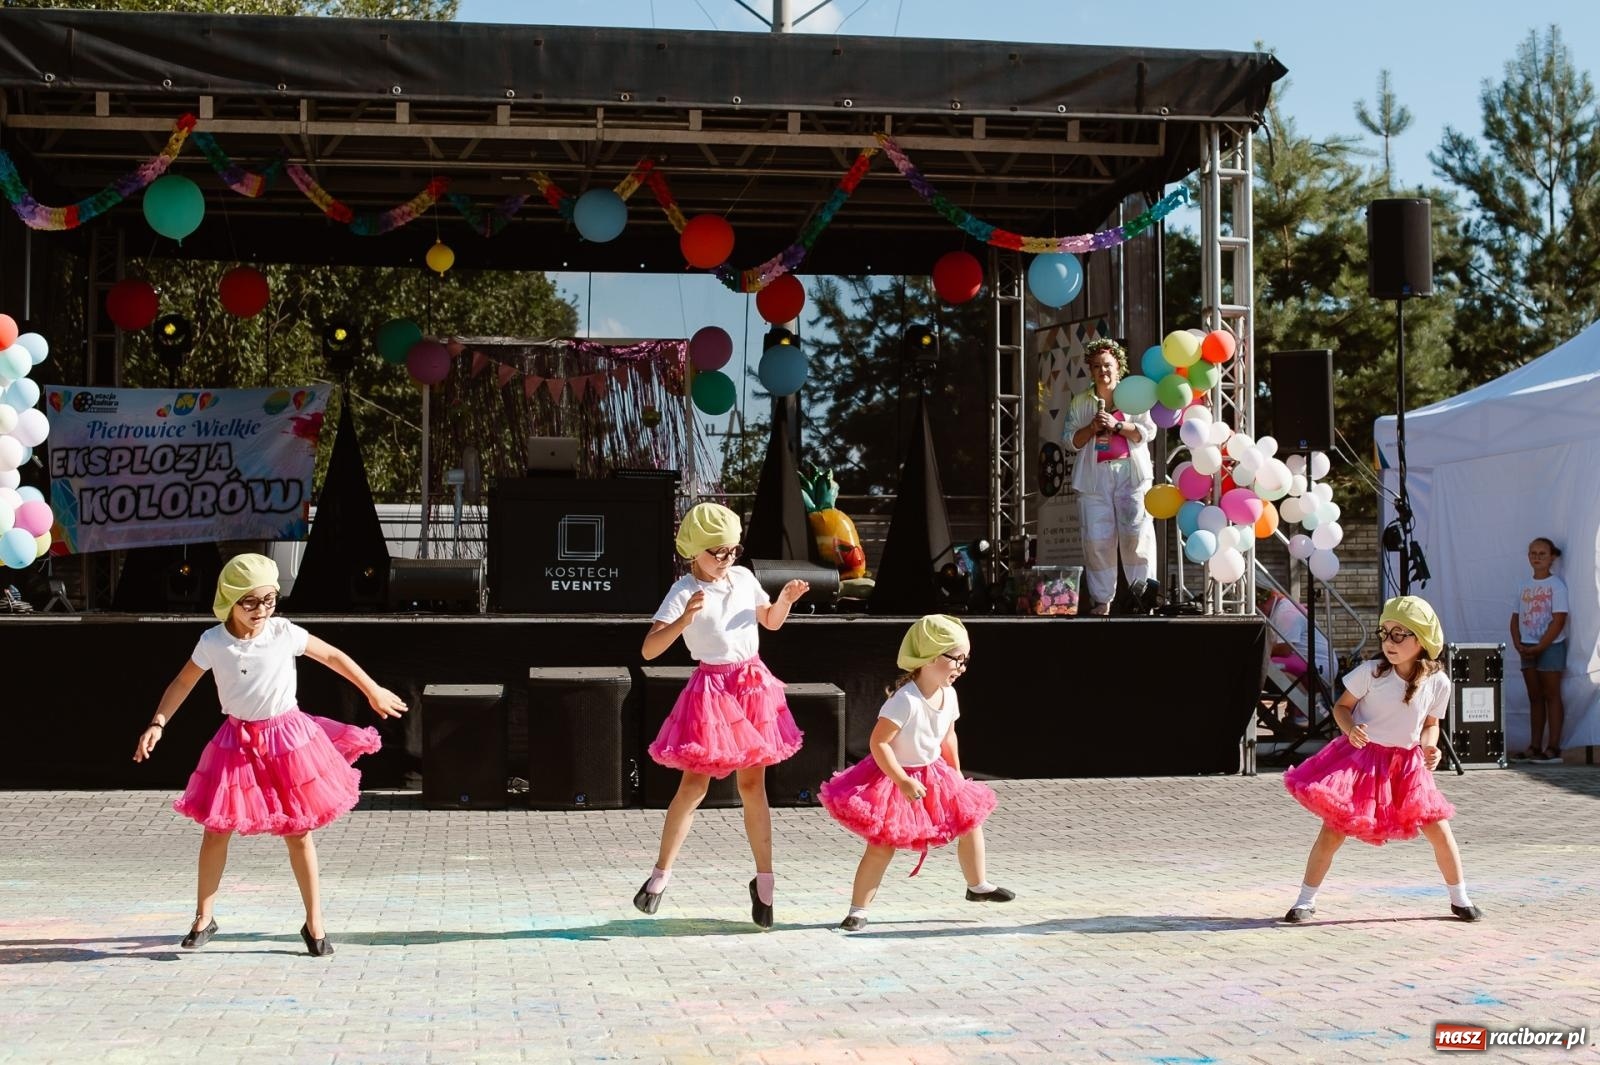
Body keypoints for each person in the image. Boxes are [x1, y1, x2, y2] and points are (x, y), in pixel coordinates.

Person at [133, 553, 407, 956]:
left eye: (269, 600)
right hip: (237, 743)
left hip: (288, 739)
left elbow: (332, 656)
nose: (261, 610)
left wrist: (371, 689)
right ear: (229, 599)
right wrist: (158, 722)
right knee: (216, 829)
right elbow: (182, 683)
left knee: (298, 831)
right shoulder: (213, 642)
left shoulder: (282, 632)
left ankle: (315, 923)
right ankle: (203, 916)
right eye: (251, 602)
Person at [635, 502, 808, 928]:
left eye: (733, 550)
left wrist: (783, 602)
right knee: (694, 785)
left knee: (753, 784)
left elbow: (768, 622)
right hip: (712, 690)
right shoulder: (682, 591)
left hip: (751, 686)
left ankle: (765, 881)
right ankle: (660, 875)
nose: (727, 560)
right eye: (718, 552)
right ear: (695, 550)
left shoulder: (745, 578)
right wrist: (683, 620)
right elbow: (649, 649)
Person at [1280, 596, 1481, 924]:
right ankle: (1305, 901)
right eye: (1385, 633)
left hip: (1408, 766)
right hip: (1363, 762)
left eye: (1399, 635)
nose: (1389, 641)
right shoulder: (1370, 673)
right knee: (1333, 832)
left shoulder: (1438, 682)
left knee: (1439, 830)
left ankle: (1460, 899)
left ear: (1423, 640)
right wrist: (1351, 730)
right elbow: (1341, 708)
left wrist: (1431, 748)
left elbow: (1430, 726)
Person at [819, 614, 1011, 931]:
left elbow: (948, 735)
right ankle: (858, 910)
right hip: (895, 777)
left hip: (934, 773)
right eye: (956, 660)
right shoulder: (904, 700)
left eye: (965, 661)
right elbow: (878, 743)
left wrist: (957, 774)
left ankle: (977, 885)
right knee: (882, 846)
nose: (961, 667)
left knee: (970, 821)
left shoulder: (949, 694)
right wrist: (902, 780)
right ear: (932, 657)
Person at [1063, 339, 1157, 615]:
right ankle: (1102, 600)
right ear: (1090, 371)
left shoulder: (1135, 397)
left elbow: (1146, 432)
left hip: (1131, 474)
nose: (1103, 370)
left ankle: (1143, 599)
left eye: (1108, 365)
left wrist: (1117, 425)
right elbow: (1070, 441)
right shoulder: (1080, 402)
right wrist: (1092, 427)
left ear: (1119, 368)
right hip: (1095, 479)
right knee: (1096, 539)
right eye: (1097, 366)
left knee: (1136, 536)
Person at [1511, 537, 1568, 764]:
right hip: (1527, 646)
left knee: (1551, 695)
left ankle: (1553, 747)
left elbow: (1559, 619)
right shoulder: (1523, 586)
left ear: (1552, 557)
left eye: (1542, 553)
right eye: (1533, 553)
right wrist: (1518, 644)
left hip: (1550, 647)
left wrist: (1542, 646)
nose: (1537, 557)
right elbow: (1515, 618)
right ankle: (1534, 746)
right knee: (1534, 697)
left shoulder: (1557, 586)